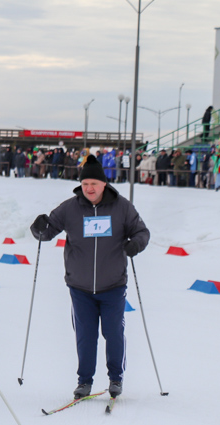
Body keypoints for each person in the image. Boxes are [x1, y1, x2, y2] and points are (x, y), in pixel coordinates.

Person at [29, 155, 150, 401]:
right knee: (85, 335)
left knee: (113, 333)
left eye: (94, 183)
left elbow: (142, 231)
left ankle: (116, 378)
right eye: (85, 184)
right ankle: (84, 381)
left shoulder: (122, 207)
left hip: (113, 285)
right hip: (80, 287)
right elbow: (46, 232)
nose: (90, 189)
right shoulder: (70, 208)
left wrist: (135, 244)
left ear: (104, 184)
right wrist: (38, 227)